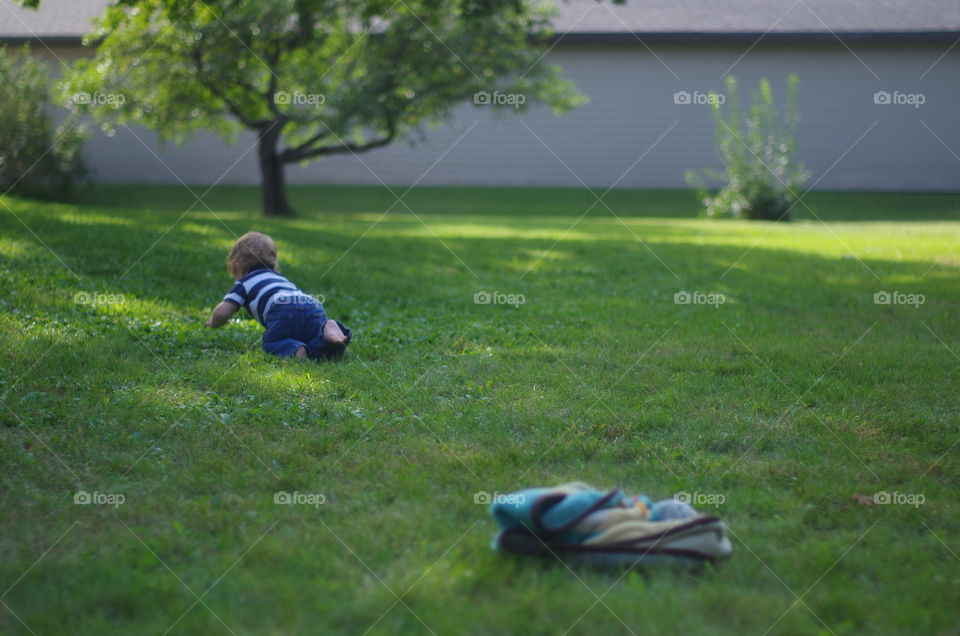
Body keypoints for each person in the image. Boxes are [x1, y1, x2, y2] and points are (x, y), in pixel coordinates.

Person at [205, 231, 351, 359]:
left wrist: (213, 323)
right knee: (314, 341)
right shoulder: (280, 278)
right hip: (311, 305)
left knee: (272, 342)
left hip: (281, 308)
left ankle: (296, 350)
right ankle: (329, 331)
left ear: (236, 263)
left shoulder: (244, 283)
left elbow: (221, 313)